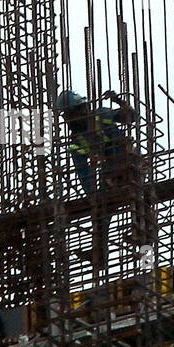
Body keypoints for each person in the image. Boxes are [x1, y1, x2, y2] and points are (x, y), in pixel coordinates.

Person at [56, 87, 140, 266]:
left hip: (128, 166)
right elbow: (84, 174)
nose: (71, 118)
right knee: (101, 213)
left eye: (73, 113)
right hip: (109, 176)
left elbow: (131, 117)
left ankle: (141, 235)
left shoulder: (101, 115)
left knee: (140, 200)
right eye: (68, 115)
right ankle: (99, 254)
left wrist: (119, 101)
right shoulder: (77, 141)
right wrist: (94, 196)